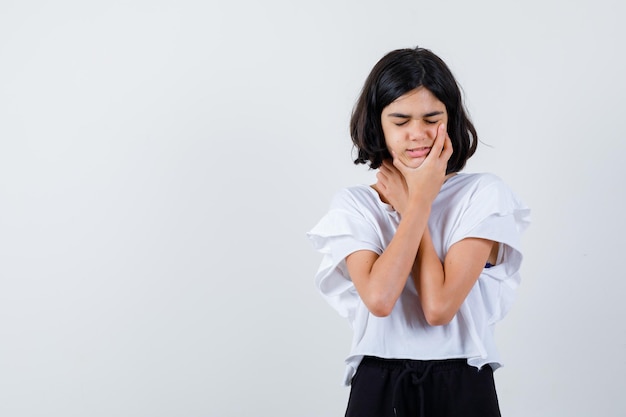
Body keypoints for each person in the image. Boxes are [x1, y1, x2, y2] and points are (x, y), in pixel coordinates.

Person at [307, 46, 530, 417]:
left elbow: (439, 308)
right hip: (378, 380)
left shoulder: (483, 195)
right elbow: (380, 299)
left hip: (462, 378)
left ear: (451, 118)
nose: (418, 134)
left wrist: (415, 202)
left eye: (431, 118)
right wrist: (419, 201)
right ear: (378, 123)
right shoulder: (354, 205)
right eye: (400, 120)